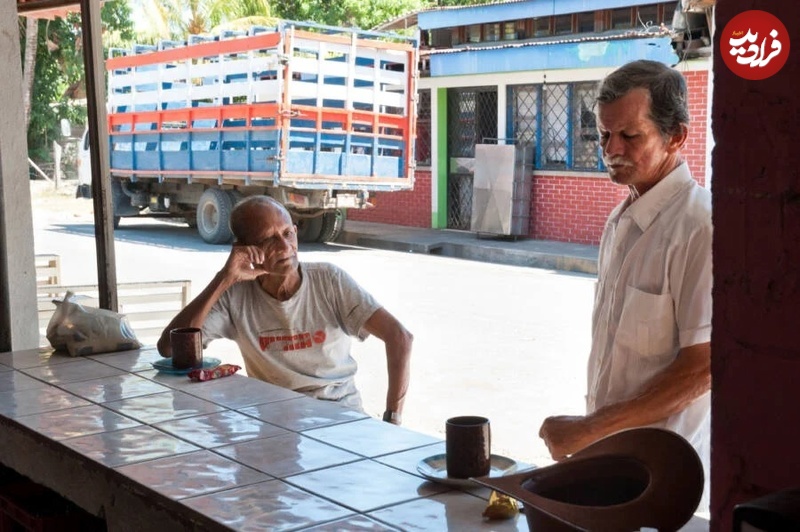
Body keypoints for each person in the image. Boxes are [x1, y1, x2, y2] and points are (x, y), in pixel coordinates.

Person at [538, 60, 712, 501]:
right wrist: (593, 435)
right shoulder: (621, 220)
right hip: (612, 459)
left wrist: (589, 429)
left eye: (630, 136)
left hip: (668, 474)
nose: (611, 148)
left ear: (676, 137)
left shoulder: (701, 226)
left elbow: (703, 368)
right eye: (603, 134)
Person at [157, 196, 412, 424]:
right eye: (268, 239)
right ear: (244, 248)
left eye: (287, 233)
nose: (284, 247)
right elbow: (169, 348)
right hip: (276, 423)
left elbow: (400, 337)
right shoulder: (235, 295)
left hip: (340, 416)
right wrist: (224, 278)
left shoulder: (329, 280)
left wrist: (393, 419)